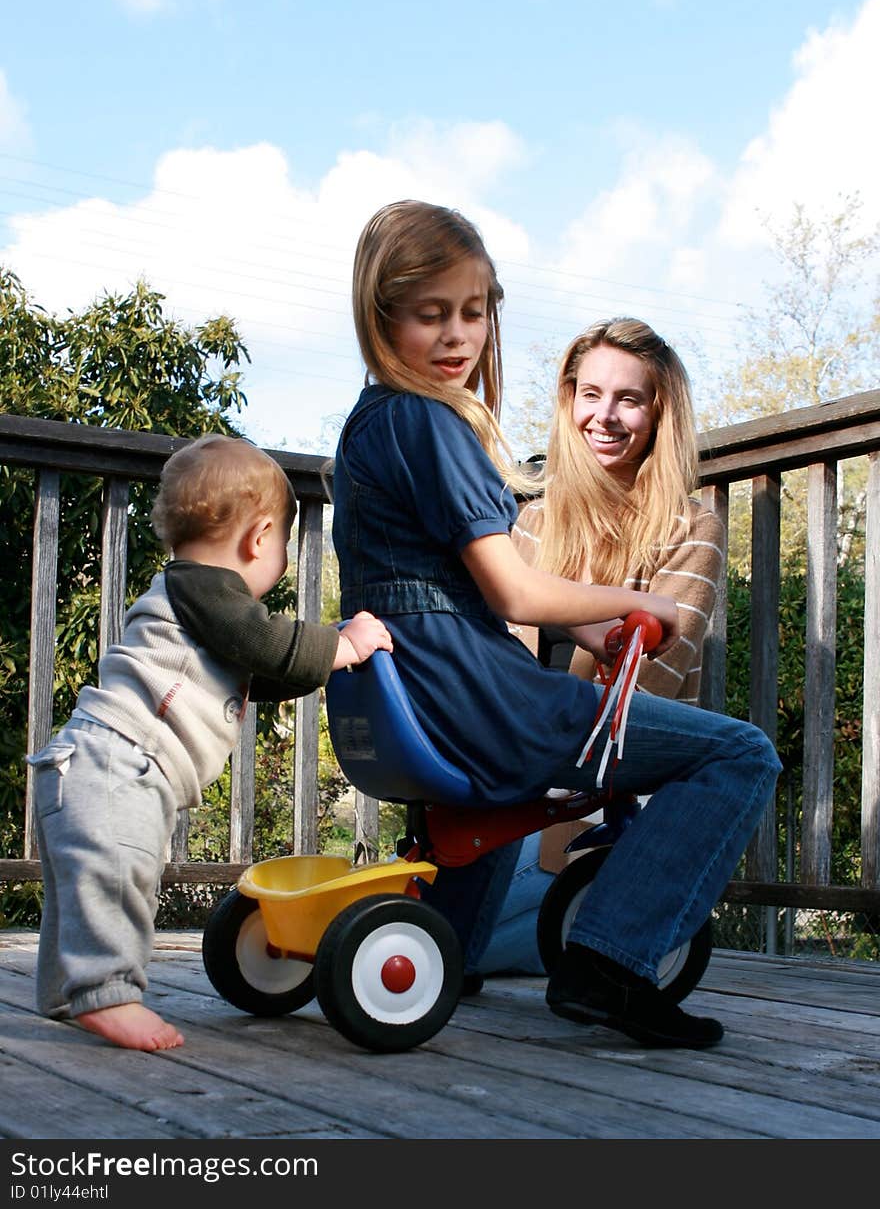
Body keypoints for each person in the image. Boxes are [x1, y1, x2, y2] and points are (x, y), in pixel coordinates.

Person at [331, 199, 780, 1051]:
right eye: (431, 314)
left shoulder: (370, 426)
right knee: (741, 753)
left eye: (474, 311)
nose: (459, 335)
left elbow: (455, 586)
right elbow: (512, 595)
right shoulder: (432, 424)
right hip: (473, 698)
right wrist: (631, 604)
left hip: (416, 687)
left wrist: (582, 635)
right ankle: (608, 963)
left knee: (505, 793)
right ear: (380, 313)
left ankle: (446, 953)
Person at [27, 434, 392, 1053]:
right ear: (260, 538)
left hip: (90, 765)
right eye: (280, 547)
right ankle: (109, 992)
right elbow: (266, 642)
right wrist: (346, 644)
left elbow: (262, 668)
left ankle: (70, 990)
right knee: (120, 877)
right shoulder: (204, 587)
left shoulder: (198, 600)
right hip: (118, 761)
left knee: (85, 885)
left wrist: (325, 660)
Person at [478, 318, 725, 976]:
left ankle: (589, 934)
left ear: (658, 414)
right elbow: (499, 666)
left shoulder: (692, 528)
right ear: (569, 401)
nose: (605, 416)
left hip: (607, 793)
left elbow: (650, 691)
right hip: (526, 777)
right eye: (590, 394)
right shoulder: (534, 520)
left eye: (628, 398)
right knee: (445, 883)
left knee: (461, 921)